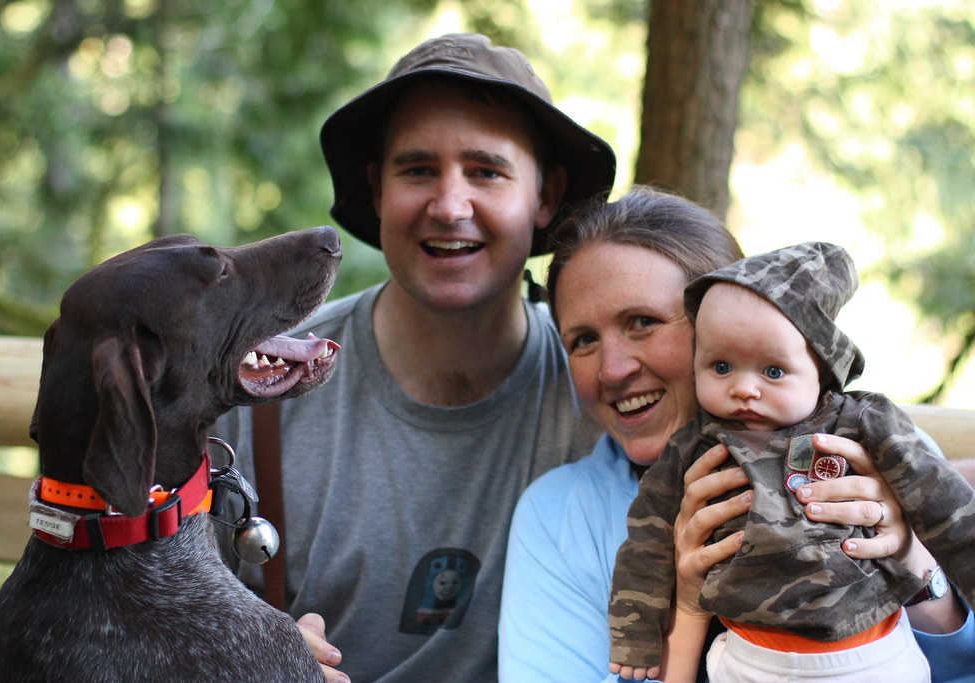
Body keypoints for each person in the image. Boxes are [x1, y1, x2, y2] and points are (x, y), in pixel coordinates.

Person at [216, 33, 616, 682]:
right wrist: (240, 657)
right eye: (418, 169)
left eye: (486, 171)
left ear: (547, 194)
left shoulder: (606, 394)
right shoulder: (260, 387)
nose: (449, 205)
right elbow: (143, 620)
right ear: (377, 189)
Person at [498, 187, 975, 682]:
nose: (612, 370)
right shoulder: (556, 516)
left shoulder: (870, 451)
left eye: (642, 322)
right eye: (584, 341)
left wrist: (911, 559)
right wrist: (686, 609)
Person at [608, 241, 975, 682]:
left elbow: (947, 507)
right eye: (721, 366)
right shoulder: (694, 446)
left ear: (820, 370)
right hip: (752, 655)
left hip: (869, 647)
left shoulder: (861, 424)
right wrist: (635, 635)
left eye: (773, 371)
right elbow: (647, 541)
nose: (745, 388)